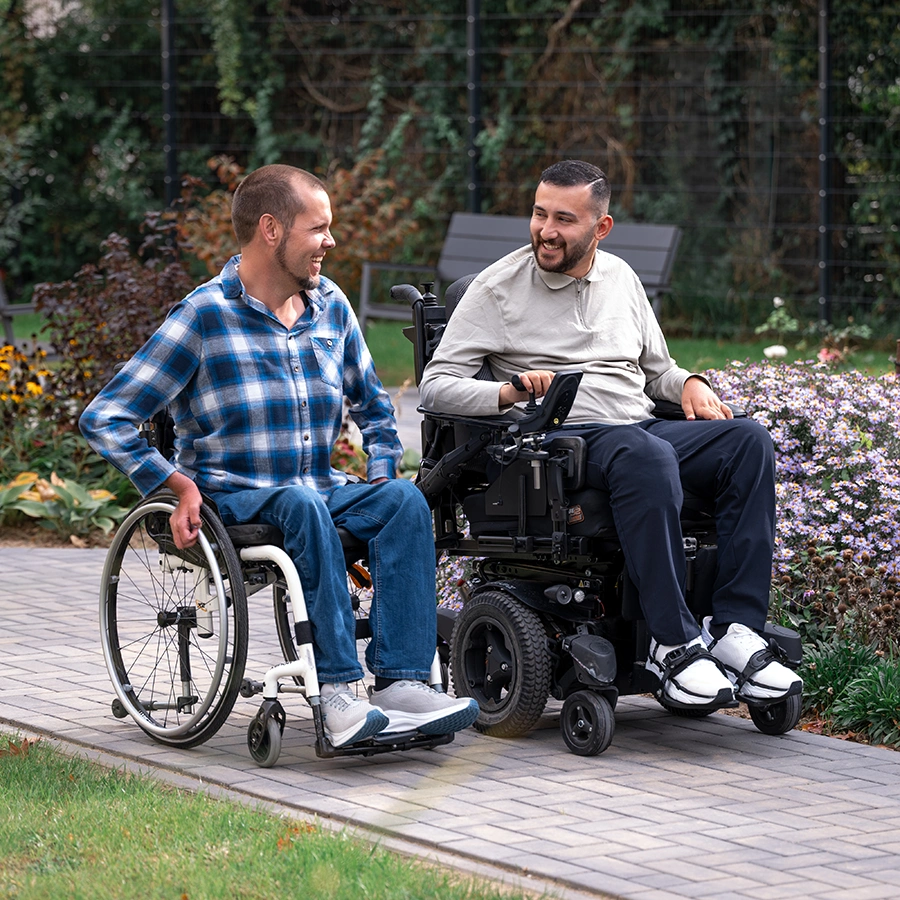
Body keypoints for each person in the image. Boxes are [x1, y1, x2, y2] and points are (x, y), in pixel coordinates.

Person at [80, 163, 478, 748]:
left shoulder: (330, 307)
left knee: (402, 503)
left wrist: (381, 476)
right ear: (271, 229)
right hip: (232, 494)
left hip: (316, 487)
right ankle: (339, 694)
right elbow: (105, 417)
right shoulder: (203, 316)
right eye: (318, 228)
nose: (331, 241)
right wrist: (176, 488)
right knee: (301, 505)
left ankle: (402, 684)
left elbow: (374, 407)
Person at [419, 159, 801, 711]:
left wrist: (689, 382)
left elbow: (656, 371)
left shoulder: (621, 278)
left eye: (564, 219)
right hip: (557, 443)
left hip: (638, 427)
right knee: (644, 453)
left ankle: (736, 630)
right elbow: (435, 387)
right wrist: (506, 394)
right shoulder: (497, 288)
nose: (546, 230)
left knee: (747, 443)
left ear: (601, 228)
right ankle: (673, 644)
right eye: (539, 213)